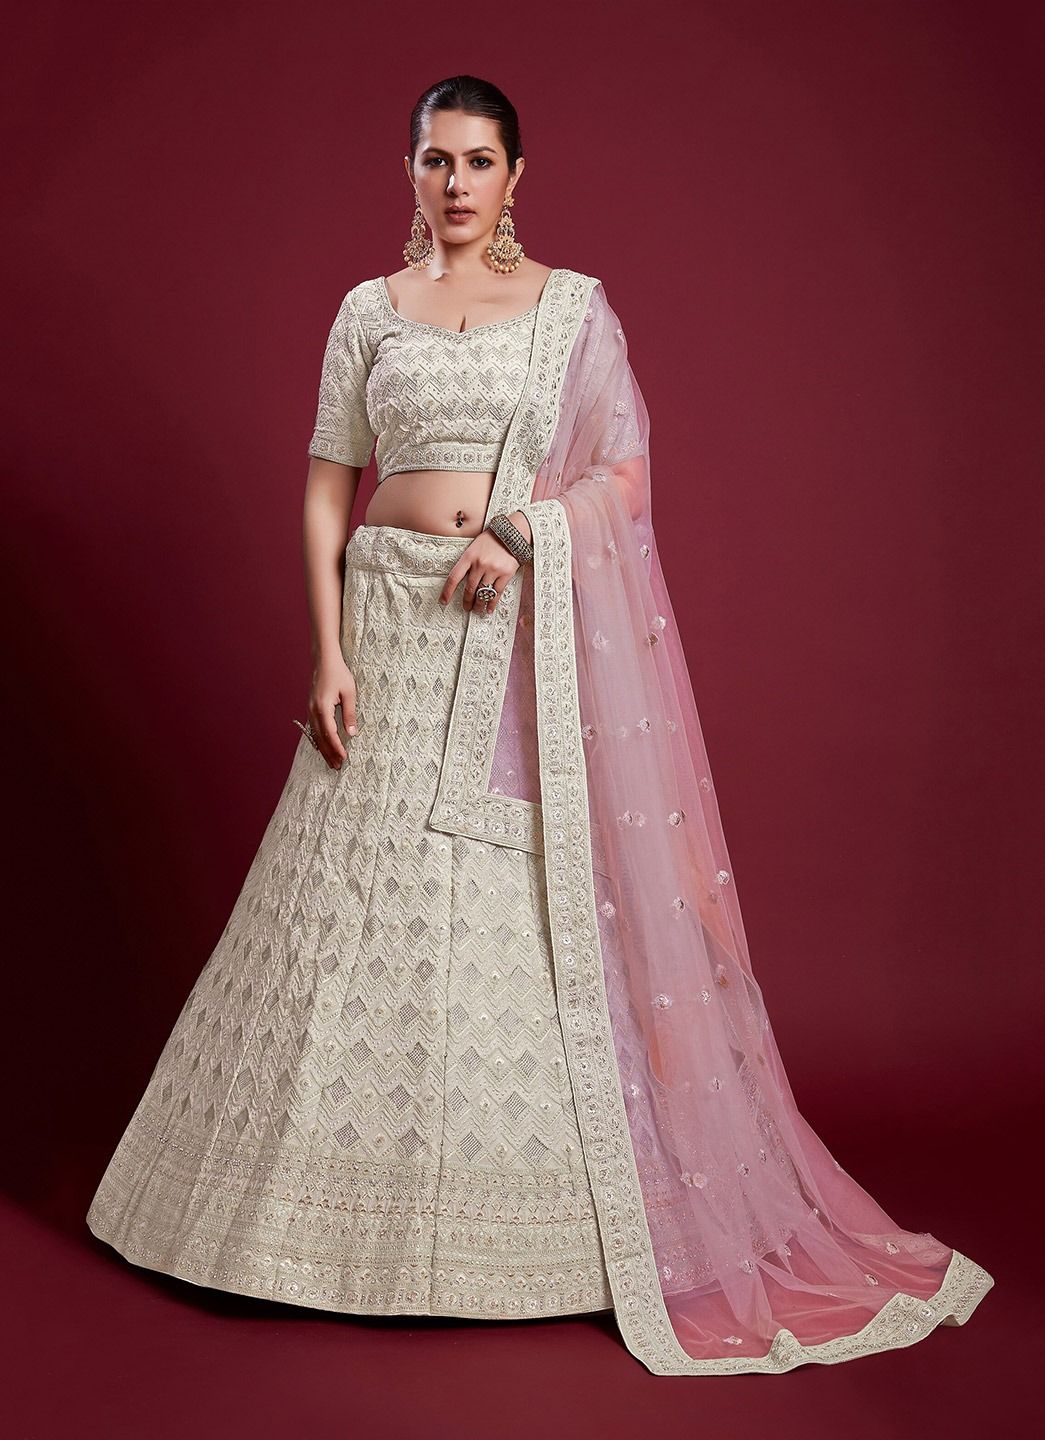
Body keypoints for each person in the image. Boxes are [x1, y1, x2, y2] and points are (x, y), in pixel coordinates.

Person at [86, 74, 994, 1377]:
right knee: (344, 906)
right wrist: (328, 650)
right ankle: (296, 1231)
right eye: (434, 160)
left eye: (478, 160)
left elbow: (623, 473)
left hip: (505, 642)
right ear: (408, 172)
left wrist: (523, 532)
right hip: (388, 632)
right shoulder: (368, 313)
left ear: (517, 176)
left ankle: (538, 1242)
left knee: (505, 906)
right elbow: (328, 485)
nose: (454, 183)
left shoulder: (573, 311)